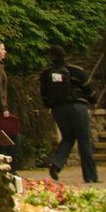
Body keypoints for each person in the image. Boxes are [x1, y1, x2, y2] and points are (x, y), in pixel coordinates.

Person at [42, 45, 98, 183]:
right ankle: (90, 176)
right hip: (77, 107)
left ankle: (56, 163)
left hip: (58, 109)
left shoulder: (45, 74)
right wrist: (93, 101)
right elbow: (88, 88)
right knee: (84, 140)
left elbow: (43, 94)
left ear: (51, 57)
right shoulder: (76, 71)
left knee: (67, 138)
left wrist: (49, 105)